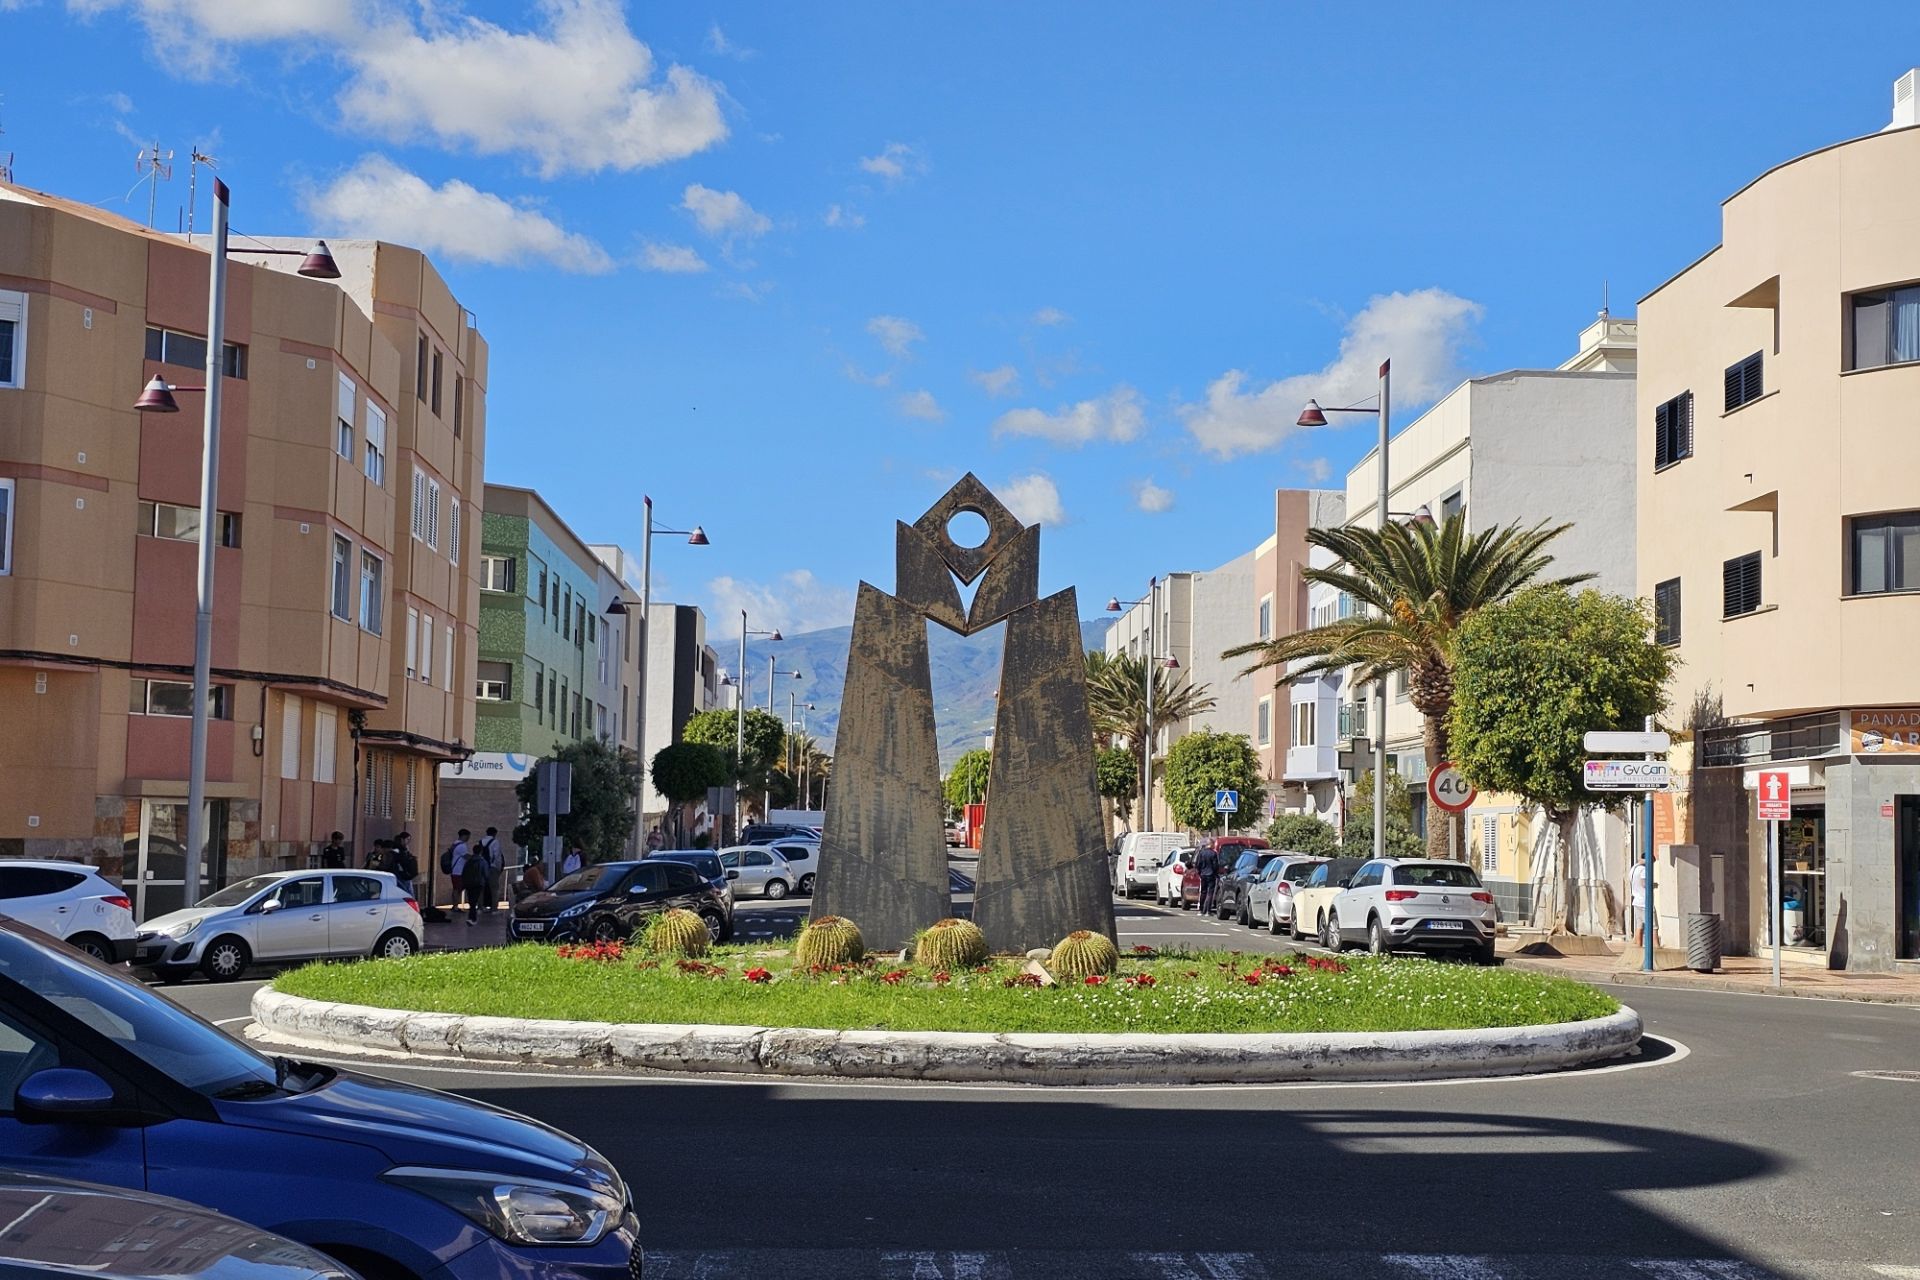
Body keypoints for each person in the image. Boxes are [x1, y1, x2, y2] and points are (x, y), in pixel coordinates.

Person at [1631, 857, 1656, 948]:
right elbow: (1644, 883)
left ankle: (1639, 945)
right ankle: (1657, 946)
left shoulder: (1633, 868)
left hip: (1636, 900)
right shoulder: (1643, 870)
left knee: (1639, 925)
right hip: (1645, 901)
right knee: (1654, 926)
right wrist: (1653, 885)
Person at [477, 827, 503, 916]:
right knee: (494, 889)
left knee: (481, 888)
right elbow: (497, 856)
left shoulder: (480, 842)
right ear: (495, 833)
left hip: (481, 867)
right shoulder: (495, 842)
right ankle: (494, 909)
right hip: (492, 867)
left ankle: (480, 908)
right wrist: (498, 868)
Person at [388, 832, 419, 898]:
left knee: (407, 891)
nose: (408, 842)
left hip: (404, 873)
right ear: (402, 839)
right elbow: (400, 861)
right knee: (407, 892)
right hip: (401, 874)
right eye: (407, 839)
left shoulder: (404, 849)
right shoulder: (397, 850)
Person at [1195, 842, 1221, 916]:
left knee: (1203, 892)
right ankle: (1208, 911)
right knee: (1210, 893)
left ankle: (1201, 910)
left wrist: (1199, 872)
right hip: (1211, 874)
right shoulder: (1213, 853)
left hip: (1203, 874)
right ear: (1211, 844)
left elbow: (1198, 864)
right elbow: (1215, 865)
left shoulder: (1201, 853)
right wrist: (1216, 873)